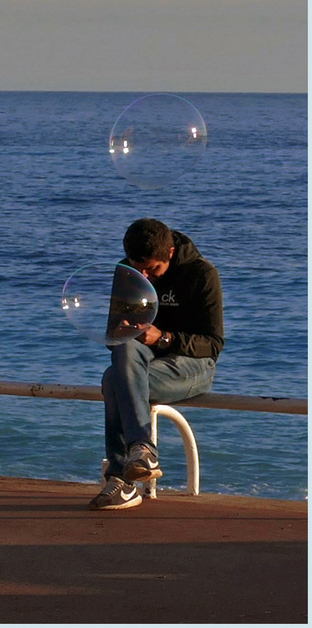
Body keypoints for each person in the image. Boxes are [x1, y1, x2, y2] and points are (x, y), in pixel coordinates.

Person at [91, 217, 224, 510]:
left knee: (115, 381)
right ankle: (143, 451)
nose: (145, 277)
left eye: (152, 270)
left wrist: (164, 338)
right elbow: (112, 335)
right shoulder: (126, 271)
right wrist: (119, 331)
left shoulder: (202, 274)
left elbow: (213, 345)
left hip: (193, 366)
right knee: (123, 356)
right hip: (141, 364)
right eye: (139, 270)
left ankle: (122, 480)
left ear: (171, 254)